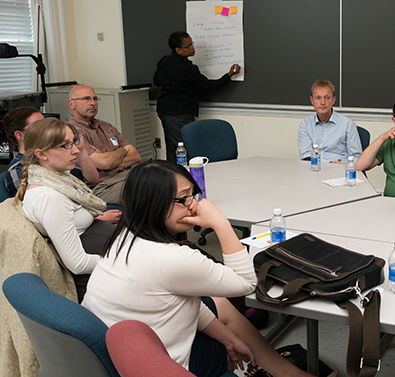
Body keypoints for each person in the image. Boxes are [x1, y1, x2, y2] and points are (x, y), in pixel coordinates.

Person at [82, 160, 313, 377]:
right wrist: (220, 222)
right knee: (228, 346)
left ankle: (284, 372)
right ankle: (285, 372)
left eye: (193, 195)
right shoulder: (172, 258)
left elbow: (182, 303)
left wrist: (229, 338)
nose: (193, 206)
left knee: (218, 303)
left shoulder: (124, 236)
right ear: (154, 205)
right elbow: (245, 284)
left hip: (118, 354)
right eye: (184, 199)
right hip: (159, 364)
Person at [17, 118, 116, 302]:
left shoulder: (58, 178)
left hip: (103, 264)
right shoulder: (50, 197)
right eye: (65, 146)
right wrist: (122, 260)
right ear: (41, 154)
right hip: (95, 281)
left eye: (73, 142)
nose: (76, 150)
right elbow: (77, 264)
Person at [154, 30, 241, 162]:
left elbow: (157, 81)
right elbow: (209, 87)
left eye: (192, 44)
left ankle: (171, 178)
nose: (193, 48)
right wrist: (229, 75)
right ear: (178, 50)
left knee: (173, 148)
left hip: (164, 110)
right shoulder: (188, 69)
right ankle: (185, 179)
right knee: (184, 150)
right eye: (188, 46)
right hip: (179, 112)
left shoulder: (164, 61)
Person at [1, 106, 100, 196]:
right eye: (38, 126)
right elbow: (35, 208)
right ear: (20, 135)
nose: (48, 129)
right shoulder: (17, 171)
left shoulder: (52, 156)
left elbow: (91, 181)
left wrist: (81, 150)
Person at [68, 85, 142, 204]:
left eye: (95, 99)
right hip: (104, 186)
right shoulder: (72, 132)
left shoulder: (106, 126)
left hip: (129, 175)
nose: (92, 103)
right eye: (86, 99)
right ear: (71, 104)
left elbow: (136, 156)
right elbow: (105, 163)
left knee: (165, 178)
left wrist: (107, 157)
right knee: (149, 191)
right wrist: (122, 151)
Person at [298, 79, 362, 163]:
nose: (322, 102)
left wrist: (345, 164)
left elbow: (357, 157)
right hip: (315, 169)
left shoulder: (348, 125)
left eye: (327, 98)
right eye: (318, 98)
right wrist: (328, 164)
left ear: (333, 100)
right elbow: (305, 156)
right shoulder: (305, 125)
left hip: (340, 170)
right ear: (312, 100)